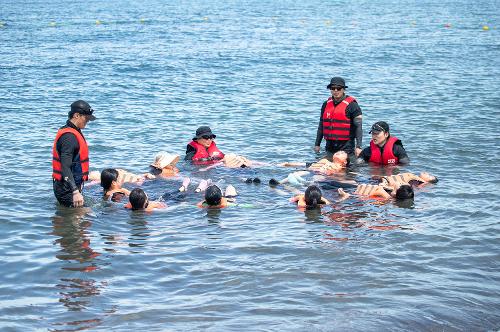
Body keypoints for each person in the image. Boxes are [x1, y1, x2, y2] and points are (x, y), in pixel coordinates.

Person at [52, 100, 96, 207]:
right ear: (76, 115)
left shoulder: (72, 131)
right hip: (67, 189)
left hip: (69, 186)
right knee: (86, 219)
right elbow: (65, 167)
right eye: (86, 118)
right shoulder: (69, 137)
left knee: (78, 220)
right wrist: (75, 191)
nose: (88, 121)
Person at [314, 77, 363, 158]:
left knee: (346, 169)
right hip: (330, 146)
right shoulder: (325, 104)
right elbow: (321, 125)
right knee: (328, 169)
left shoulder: (353, 105)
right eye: (333, 88)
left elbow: (359, 127)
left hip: (346, 147)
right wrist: (317, 144)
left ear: (344, 89)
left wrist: (358, 147)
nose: (335, 91)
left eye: (338, 88)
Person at [279, 150, 349, 175]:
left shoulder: (341, 169)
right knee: (296, 174)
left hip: (320, 176)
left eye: (342, 153)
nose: (339, 153)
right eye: (338, 152)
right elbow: (306, 164)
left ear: (345, 162)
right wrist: (288, 164)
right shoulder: (325, 161)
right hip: (309, 171)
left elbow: (339, 178)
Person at [338, 183, 414, 200]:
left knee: (328, 185)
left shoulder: (385, 195)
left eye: (400, 186)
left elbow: (366, 197)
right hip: (357, 188)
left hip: (354, 190)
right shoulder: (391, 195)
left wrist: (346, 195)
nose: (398, 185)